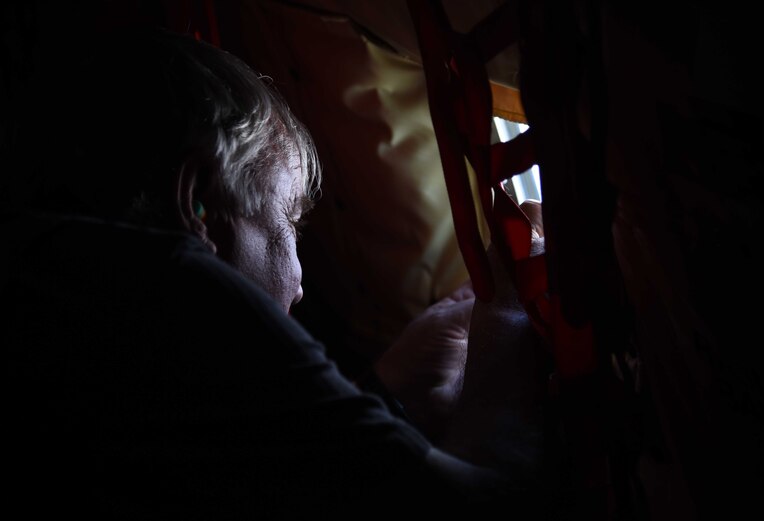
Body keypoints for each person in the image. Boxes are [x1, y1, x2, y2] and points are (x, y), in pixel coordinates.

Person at [1, 27, 549, 519]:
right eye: (287, 220)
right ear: (198, 208)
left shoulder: (69, 280)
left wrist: (390, 392)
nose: (301, 284)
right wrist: (506, 307)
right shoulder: (178, 290)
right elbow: (488, 503)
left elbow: (263, 462)